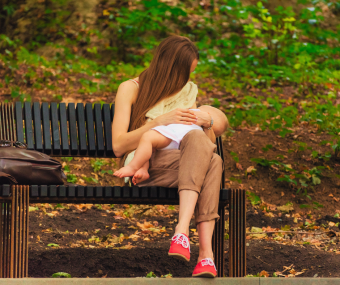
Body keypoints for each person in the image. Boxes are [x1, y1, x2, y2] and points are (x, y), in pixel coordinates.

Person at [112, 35, 229, 278]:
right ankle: (200, 249)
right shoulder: (130, 88)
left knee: (213, 159)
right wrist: (158, 123)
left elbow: (199, 143)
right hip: (143, 163)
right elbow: (118, 145)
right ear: (169, 68)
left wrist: (208, 122)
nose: (188, 80)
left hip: (184, 165)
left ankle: (191, 243)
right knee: (213, 163)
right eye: (185, 73)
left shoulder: (186, 91)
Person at [113, 106, 227, 186]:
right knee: (148, 148)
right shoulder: (203, 130)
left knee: (147, 138)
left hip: (172, 137)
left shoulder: (194, 114)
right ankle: (143, 169)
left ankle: (132, 166)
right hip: (176, 144)